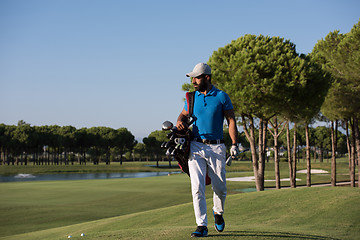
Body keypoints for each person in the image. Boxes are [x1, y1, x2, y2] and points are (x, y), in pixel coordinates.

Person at [176, 63, 239, 237]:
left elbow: (231, 120)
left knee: (220, 188)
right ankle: (201, 225)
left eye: (197, 77)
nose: (194, 81)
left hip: (217, 147)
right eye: (192, 78)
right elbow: (182, 115)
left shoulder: (221, 97)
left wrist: (234, 143)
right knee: (197, 187)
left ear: (207, 77)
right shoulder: (191, 98)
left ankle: (218, 213)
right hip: (196, 146)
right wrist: (179, 122)